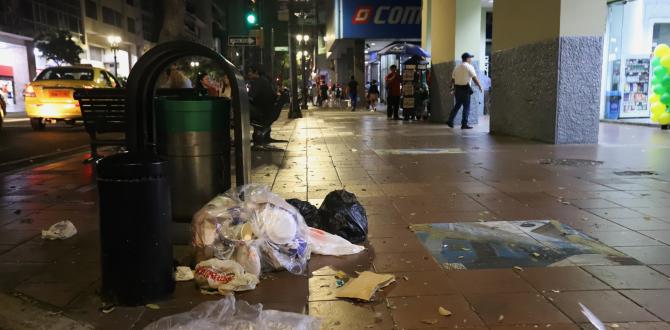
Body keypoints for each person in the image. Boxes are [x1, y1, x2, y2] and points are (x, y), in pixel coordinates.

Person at [446, 52, 483, 129]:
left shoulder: (457, 67)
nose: (471, 60)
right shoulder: (469, 67)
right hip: (465, 89)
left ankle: (450, 120)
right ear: (467, 59)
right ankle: (464, 124)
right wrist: (480, 86)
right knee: (466, 107)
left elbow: (452, 79)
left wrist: (451, 88)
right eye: (470, 58)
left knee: (457, 105)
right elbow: (474, 78)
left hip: (457, 89)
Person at [247, 65, 282, 144]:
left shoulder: (258, 82)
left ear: (256, 72)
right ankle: (262, 135)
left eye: (250, 71)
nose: (248, 74)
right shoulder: (266, 81)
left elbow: (250, 97)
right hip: (268, 112)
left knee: (240, 106)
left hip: (262, 114)